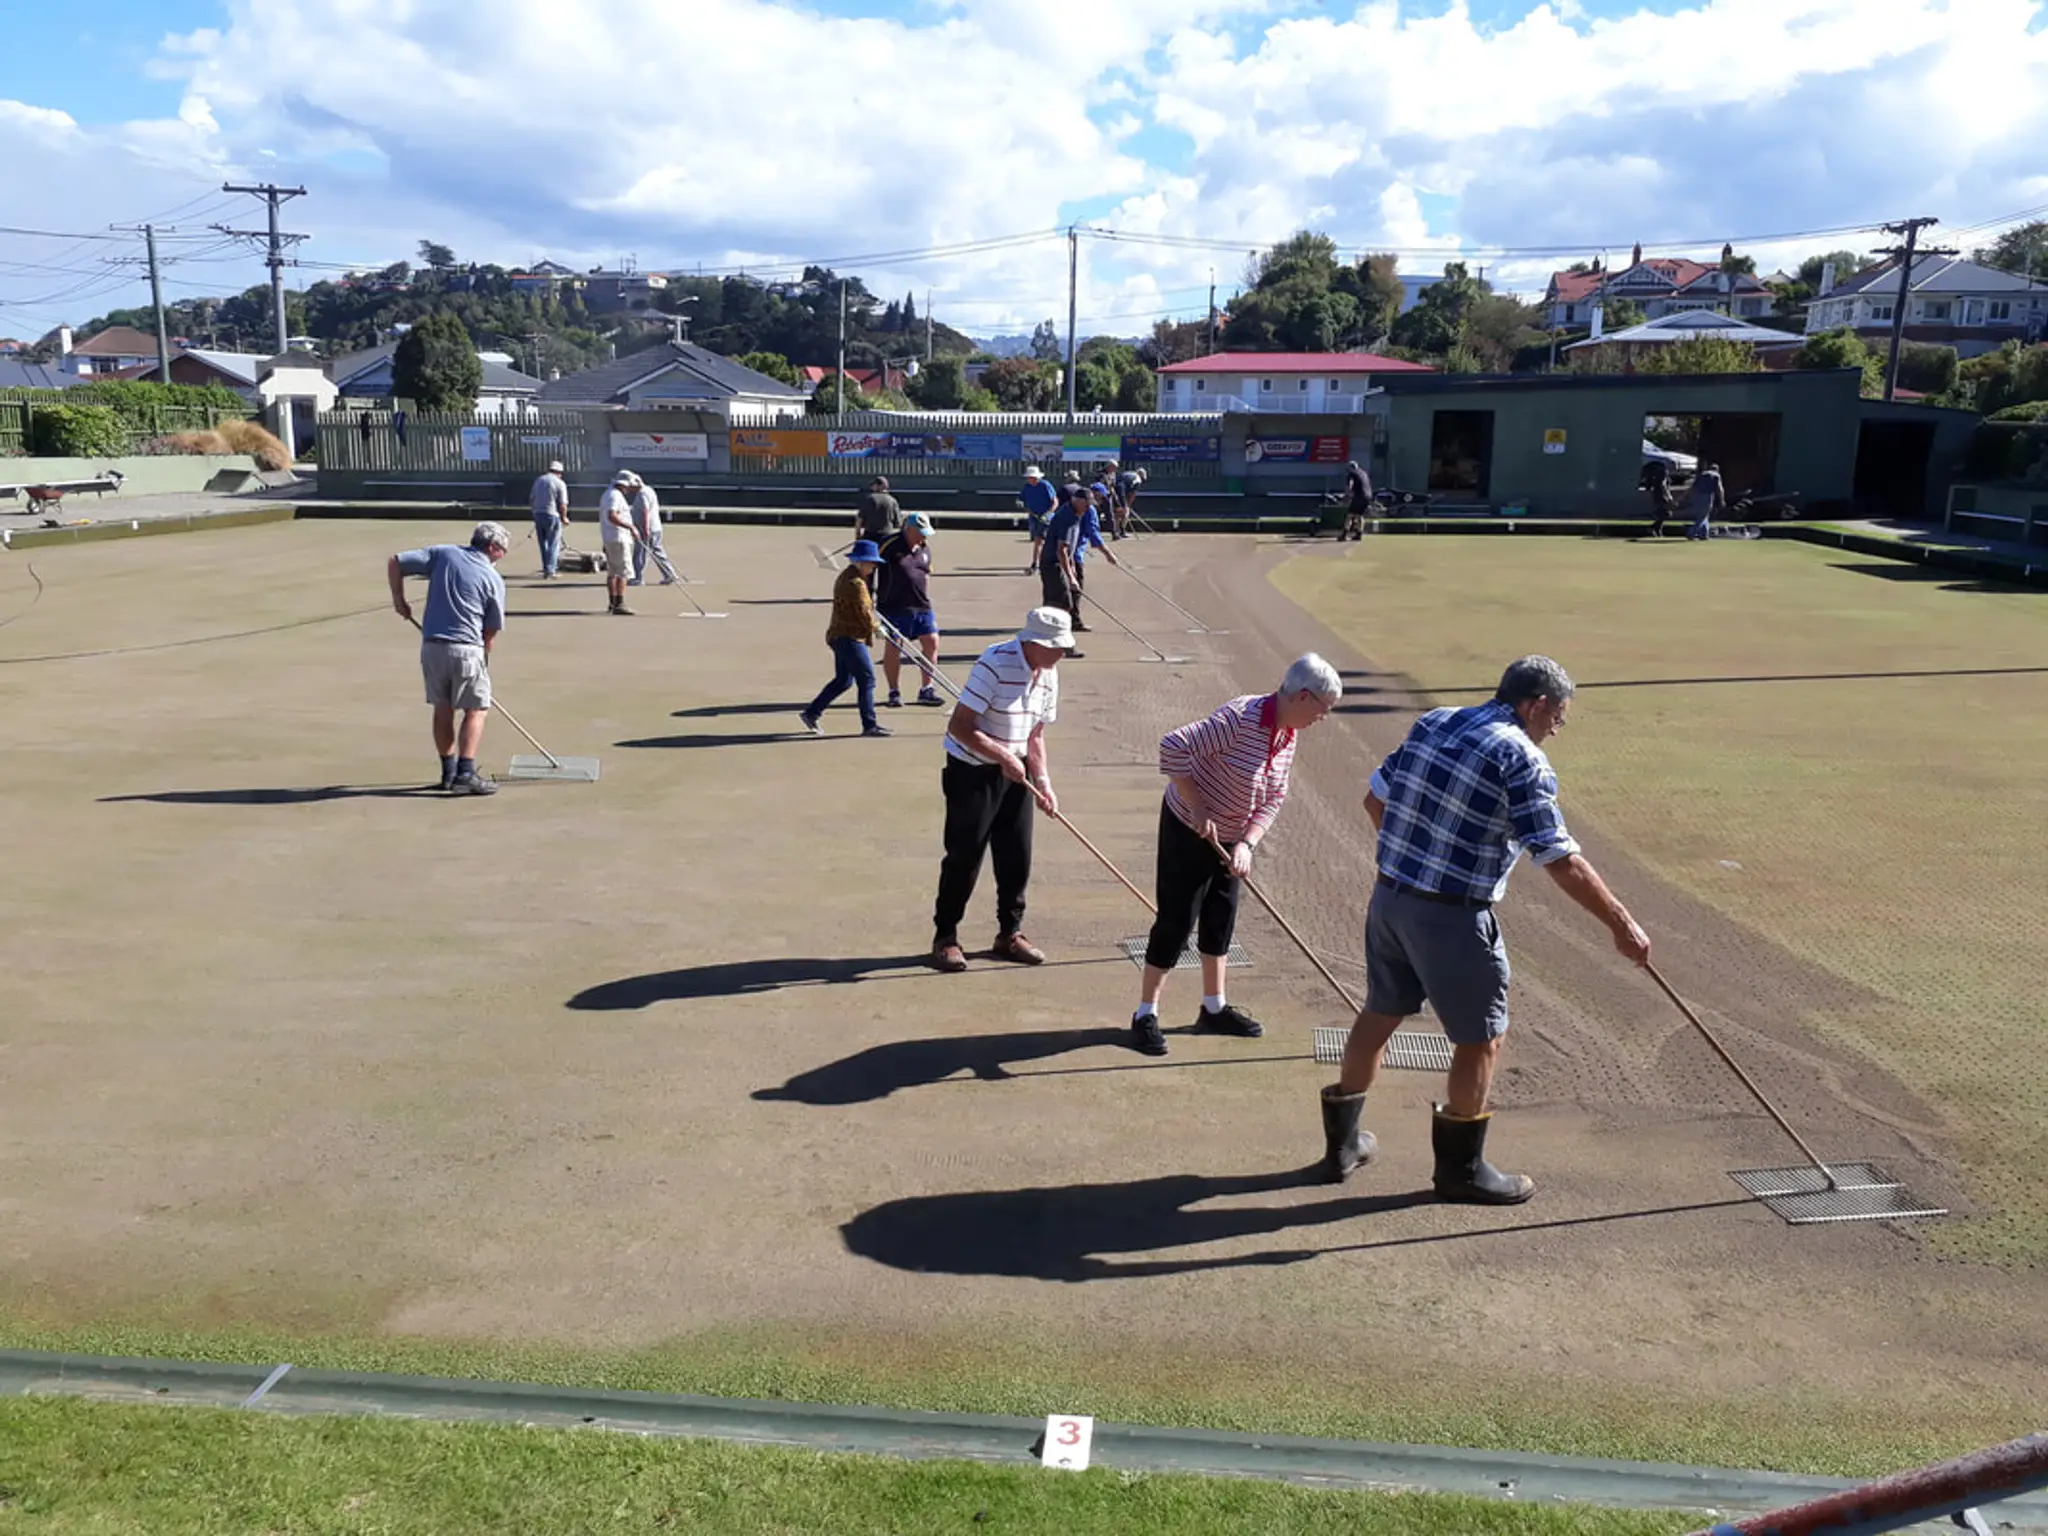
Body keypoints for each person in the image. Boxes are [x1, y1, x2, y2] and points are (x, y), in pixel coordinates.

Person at [1318, 656, 1651, 1204]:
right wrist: (1623, 925)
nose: (1554, 731)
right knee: (1481, 1039)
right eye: (1557, 719)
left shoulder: (1437, 721)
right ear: (1536, 704)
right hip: (1452, 916)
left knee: (1379, 1012)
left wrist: (1408, 860)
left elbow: (1375, 798)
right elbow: (1560, 858)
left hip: (1392, 899)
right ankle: (1460, 1172)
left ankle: (1342, 1149)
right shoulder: (1522, 758)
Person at [1129, 656, 1343, 1057]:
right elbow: (1173, 746)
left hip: (1232, 837)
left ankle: (1213, 1008)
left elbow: (1275, 797)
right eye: (1323, 708)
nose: (1323, 717)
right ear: (1301, 697)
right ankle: (1145, 1014)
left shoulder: (1287, 734)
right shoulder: (1240, 718)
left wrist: (1247, 843)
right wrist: (1198, 807)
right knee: (1176, 921)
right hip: (1188, 828)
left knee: (1220, 917)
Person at [930, 607, 1072, 974]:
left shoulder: (1050, 673)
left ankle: (1009, 934)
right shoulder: (994, 663)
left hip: (1017, 771)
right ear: (1034, 642)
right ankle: (946, 936)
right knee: (965, 855)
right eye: (1057, 647)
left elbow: (1036, 735)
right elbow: (959, 726)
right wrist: (1001, 756)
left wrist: (1044, 783)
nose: (1063, 654)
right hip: (972, 771)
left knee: (1016, 856)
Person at [385, 521, 510, 796]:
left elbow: (396, 562)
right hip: (467, 649)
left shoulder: (444, 553)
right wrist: (484, 660)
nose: (502, 556)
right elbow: (490, 630)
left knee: (443, 708)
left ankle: (448, 773)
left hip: (432, 647)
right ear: (491, 547)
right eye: (502, 550)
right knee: (477, 709)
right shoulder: (493, 579)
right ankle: (465, 773)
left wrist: (399, 600)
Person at [799, 539, 891, 738]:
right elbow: (864, 613)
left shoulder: (852, 578)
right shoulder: (855, 583)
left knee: (843, 681)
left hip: (841, 635)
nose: (874, 566)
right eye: (871, 563)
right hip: (848, 637)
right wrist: (877, 628)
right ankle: (869, 724)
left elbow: (865, 609)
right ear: (860, 562)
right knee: (867, 679)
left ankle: (811, 713)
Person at [877, 511, 943, 708]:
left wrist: (926, 599)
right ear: (909, 529)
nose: (925, 536)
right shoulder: (888, 545)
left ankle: (926, 689)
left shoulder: (924, 549)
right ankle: (894, 691)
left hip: (921, 605)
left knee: (931, 642)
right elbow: (869, 565)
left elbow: (926, 574)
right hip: (893, 606)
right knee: (894, 647)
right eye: (921, 532)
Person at [1037, 485, 1086, 637]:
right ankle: (1060, 643)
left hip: (1055, 562)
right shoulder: (1067, 518)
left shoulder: (1074, 514)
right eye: (1087, 504)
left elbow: (1068, 551)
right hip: (1052, 564)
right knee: (1063, 604)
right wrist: (1071, 577)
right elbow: (1061, 549)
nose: (1088, 508)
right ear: (1077, 501)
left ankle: (1047, 639)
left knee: (1054, 603)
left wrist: (1072, 570)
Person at [598, 472, 640, 615]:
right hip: (619, 538)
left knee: (613, 572)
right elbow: (612, 515)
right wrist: (630, 527)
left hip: (611, 537)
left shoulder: (608, 494)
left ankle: (613, 603)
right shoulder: (615, 495)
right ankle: (619, 603)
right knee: (622, 572)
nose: (629, 489)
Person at [628, 472, 679, 586]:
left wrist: (645, 529)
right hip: (655, 528)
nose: (629, 488)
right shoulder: (649, 490)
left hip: (647, 528)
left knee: (640, 553)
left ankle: (638, 577)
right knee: (657, 551)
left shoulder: (642, 494)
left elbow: (646, 512)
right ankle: (669, 574)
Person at [529, 459, 569, 578]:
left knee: (543, 543)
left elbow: (531, 499)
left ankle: (546, 567)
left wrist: (535, 512)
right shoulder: (559, 483)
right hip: (552, 515)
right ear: (559, 472)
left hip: (538, 514)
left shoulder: (539, 480)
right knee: (553, 543)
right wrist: (564, 518)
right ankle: (551, 570)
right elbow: (562, 504)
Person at [1021, 465, 1057, 575]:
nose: (1029, 479)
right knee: (1038, 540)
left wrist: (1048, 514)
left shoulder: (1045, 485)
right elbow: (1021, 498)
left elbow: (1055, 501)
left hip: (1046, 518)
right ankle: (1041, 563)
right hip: (1033, 518)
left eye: (1030, 477)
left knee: (1039, 541)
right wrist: (1020, 503)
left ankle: (1036, 564)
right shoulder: (1027, 487)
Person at [855, 476, 902, 543]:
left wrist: (858, 535)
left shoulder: (869, 499)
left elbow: (859, 519)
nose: (872, 487)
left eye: (873, 485)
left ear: (879, 486)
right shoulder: (893, 501)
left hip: (870, 536)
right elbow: (899, 524)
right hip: (886, 537)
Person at [1686, 462, 1725, 541]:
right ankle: (1691, 533)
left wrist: (1686, 496)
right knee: (1702, 516)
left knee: (1703, 515)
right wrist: (1722, 500)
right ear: (1717, 470)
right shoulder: (1716, 475)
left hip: (1696, 496)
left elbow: (1692, 486)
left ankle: (1704, 535)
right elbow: (1720, 488)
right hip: (1706, 495)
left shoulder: (1702, 474)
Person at [1642, 456, 1673, 537]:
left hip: (1657, 493)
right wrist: (1668, 495)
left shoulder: (1660, 472)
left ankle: (1657, 530)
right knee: (1666, 513)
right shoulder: (1664, 472)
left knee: (1663, 513)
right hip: (1661, 494)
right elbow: (1663, 485)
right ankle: (1653, 527)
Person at [1343, 459, 1373, 540]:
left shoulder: (1352, 473)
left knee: (1349, 515)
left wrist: (1346, 495)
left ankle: (1344, 535)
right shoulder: (1363, 473)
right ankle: (1359, 534)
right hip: (1368, 496)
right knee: (1360, 515)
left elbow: (1350, 484)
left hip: (1359, 496)